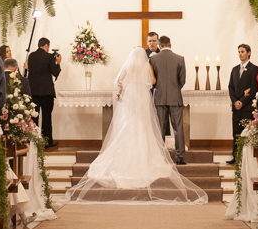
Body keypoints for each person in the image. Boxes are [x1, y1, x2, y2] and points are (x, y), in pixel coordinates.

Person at [63, 47, 207, 204]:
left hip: (131, 95)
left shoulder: (128, 65)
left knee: (128, 123)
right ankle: (145, 155)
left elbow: (117, 80)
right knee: (143, 125)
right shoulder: (147, 65)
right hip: (143, 97)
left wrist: (123, 88)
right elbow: (153, 81)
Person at [150, 36, 188, 165]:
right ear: (170, 45)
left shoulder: (153, 59)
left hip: (159, 97)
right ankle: (180, 157)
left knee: (159, 129)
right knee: (178, 128)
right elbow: (182, 81)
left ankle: (160, 158)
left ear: (159, 46)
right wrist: (174, 89)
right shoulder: (180, 59)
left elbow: (152, 80)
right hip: (175, 98)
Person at [227, 43, 258, 165]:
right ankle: (235, 157)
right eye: (239, 51)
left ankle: (246, 159)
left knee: (246, 134)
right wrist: (235, 101)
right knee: (236, 134)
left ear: (249, 53)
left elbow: (254, 88)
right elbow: (230, 87)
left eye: (243, 51)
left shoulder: (254, 69)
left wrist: (242, 102)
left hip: (246, 108)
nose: (240, 54)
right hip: (236, 108)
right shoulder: (235, 69)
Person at [28, 37, 61, 148]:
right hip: (46, 92)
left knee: (34, 117)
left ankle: (34, 142)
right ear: (46, 46)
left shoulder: (31, 56)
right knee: (46, 117)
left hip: (33, 91)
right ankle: (47, 142)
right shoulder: (49, 57)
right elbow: (55, 72)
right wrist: (58, 63)